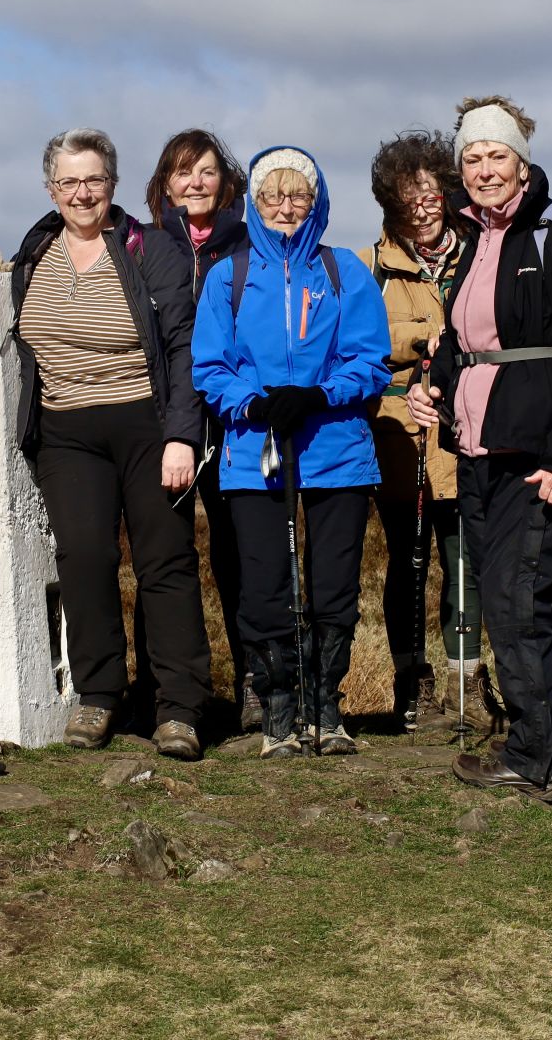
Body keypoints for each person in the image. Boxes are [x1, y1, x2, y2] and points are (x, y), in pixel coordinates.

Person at [408, 97, 552, 803]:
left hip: (535, 454)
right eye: (473, 158)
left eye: (497, 155)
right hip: (479, 451)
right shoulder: (476, 241)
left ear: (522, 163)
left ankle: (536, 755)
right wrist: (430, 386)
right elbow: (465, 342)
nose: (485, 169)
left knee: (515, 603)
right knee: (537, 607)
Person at [9, 128, 210, 761]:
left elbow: (184, 347)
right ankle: (99, 696)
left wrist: (183, 434)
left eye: (93, 179)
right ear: (50, 189)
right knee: (85, 559)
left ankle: (179, 709)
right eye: (68, 182)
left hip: (147, 427)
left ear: (112, 185)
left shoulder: (150, 250)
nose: (81, 193)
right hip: (66, 433)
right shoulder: (35, 248)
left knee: (165, 563)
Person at [192, 146, 390, 757]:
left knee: (334, 586)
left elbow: (370, 359)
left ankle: (325, 711)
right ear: (253, 203)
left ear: (317, 201)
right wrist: (251, 403)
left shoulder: (344, 270)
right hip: (256, 451)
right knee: (264, 587)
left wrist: (319, 393)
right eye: (272, 196)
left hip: (337, 446)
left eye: (297, 195)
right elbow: (211, 364)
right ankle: (279, 715)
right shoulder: (229, 274)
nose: (285, 207)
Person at [356, 130, 490, 733]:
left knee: (465, 560)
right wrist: (416, 353)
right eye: (410, 192)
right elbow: (359, 354)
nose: (425, 203)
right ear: (391, 199)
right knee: (408, 562)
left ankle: (470, 682)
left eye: (434, 189)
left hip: (469, 434)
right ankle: (412, 681)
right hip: (397, 438)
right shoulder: (367, 269)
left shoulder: (484, 255)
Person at [144, 129, 254, 729]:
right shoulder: (144, 244)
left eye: (206, 171)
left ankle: (254, 685)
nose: (195, 183)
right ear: (164, 183)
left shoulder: (248, 242)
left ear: (225, 181)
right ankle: (161, 692)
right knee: (163, 555)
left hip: (236, 420)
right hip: (167, 424)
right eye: (182, 172)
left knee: (241, 555)